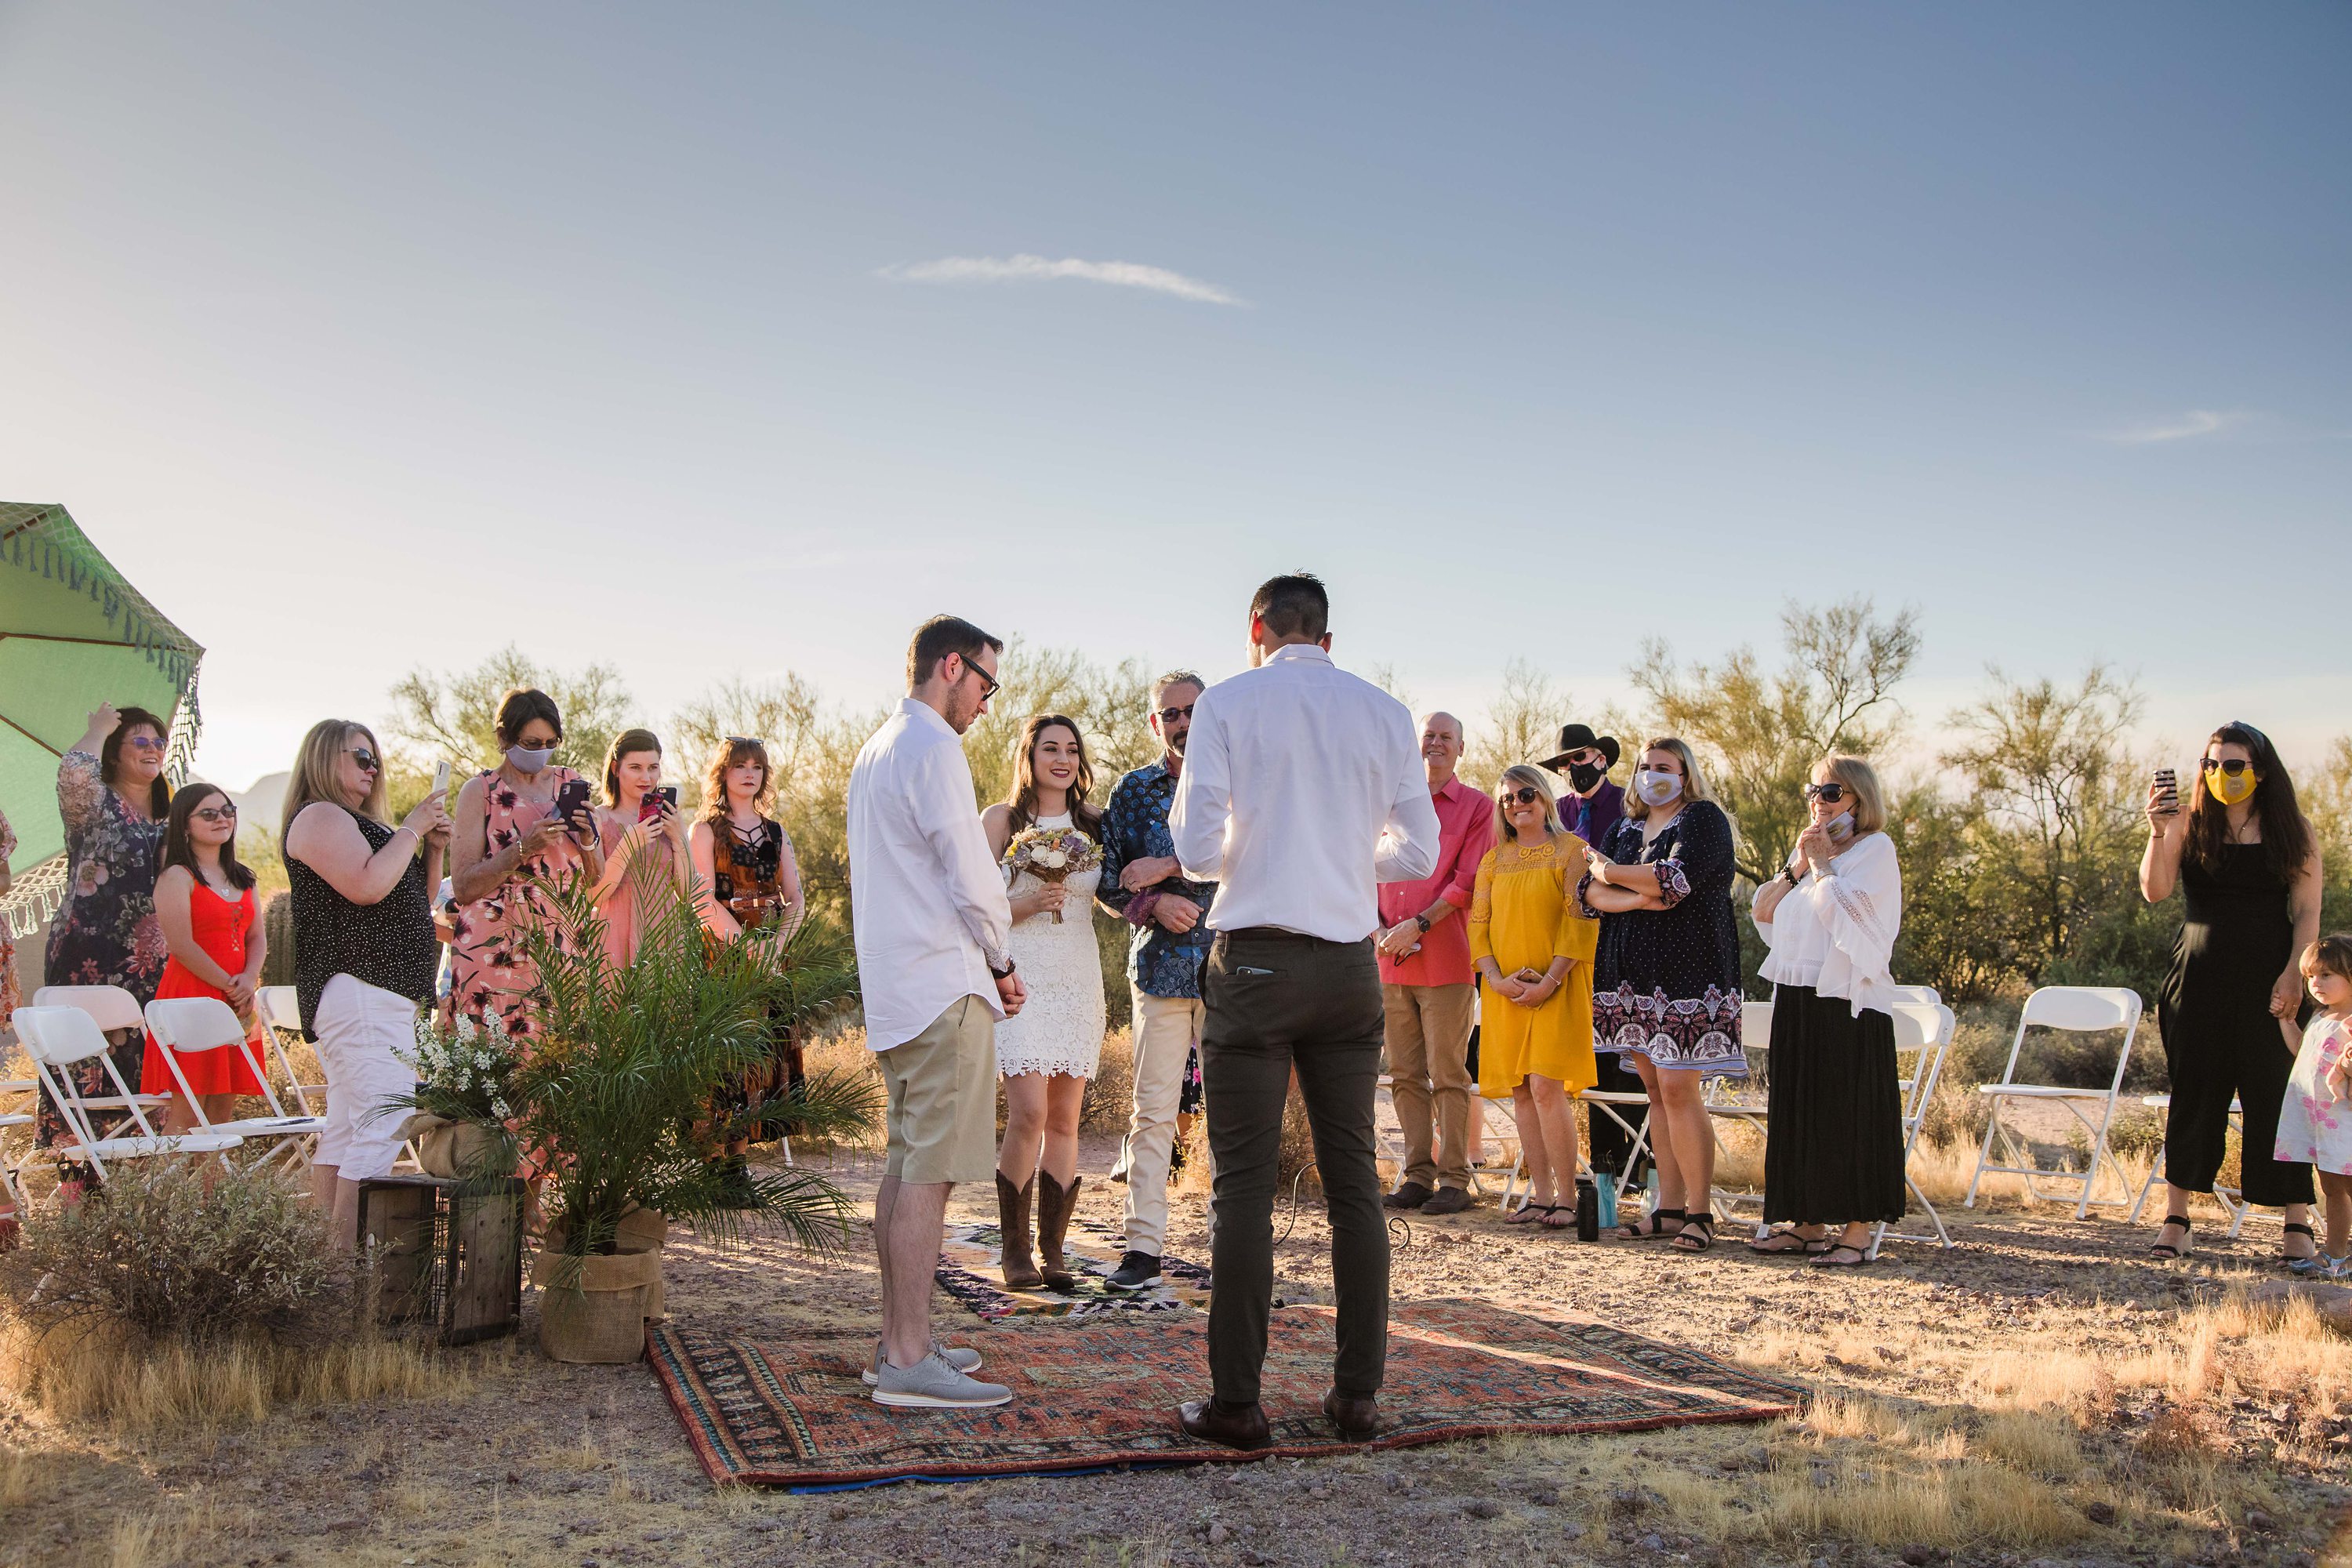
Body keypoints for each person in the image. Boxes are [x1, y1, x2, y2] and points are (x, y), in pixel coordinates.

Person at [1168, 572, 1440, 1450]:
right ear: (1326, 634)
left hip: (1253, 958)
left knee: (1243, 1188)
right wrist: (1343, 853)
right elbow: (1421, 847)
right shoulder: (1385, 711)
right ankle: (1357, 1394)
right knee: (1354, 1180)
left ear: (1257, 627)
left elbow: (1196, 846)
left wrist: (1266, 845)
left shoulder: (1229, 703)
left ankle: (1238, 1405)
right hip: (1348, 966)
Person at [848, 615, 1025, 1410]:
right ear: (950, 666)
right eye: (986, 682)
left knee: (905, 1162)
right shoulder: (933, 748)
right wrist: (1003, 959)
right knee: (931, 1169)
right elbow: (974, 876)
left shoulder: (877, 747)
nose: (987, 700)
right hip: (941, 982)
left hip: (897, 984)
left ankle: (897, 1339)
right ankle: (911, 1358)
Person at [2141, 721, 2323, 1261]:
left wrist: (2296, 971)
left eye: (2235, 765)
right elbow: (2155, 891)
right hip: (2197, 978)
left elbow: (2308, 910)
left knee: (2277, 1094)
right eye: (2212, 764)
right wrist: (2157, 829)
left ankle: (2296, 1222)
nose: (2222, 775)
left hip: (2272, 976)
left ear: (2261, 772)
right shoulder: (2186, 823)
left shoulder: (2294, 829)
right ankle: (2177, 1218)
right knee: (2194, 1094)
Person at [282, 720, 448, 1247]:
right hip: (361, 987)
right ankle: (346, 1268)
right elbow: (368, 886)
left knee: (351, 1128)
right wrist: (413, 827)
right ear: (325, 758)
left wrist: (433, 848)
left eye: (375, 759)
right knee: (384, 1123)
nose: (372, 768)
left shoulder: (359, 823)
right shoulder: (319, 815)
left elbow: (412, 904)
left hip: (382, 994)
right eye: (361, 757)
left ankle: (324, 1268)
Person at [1583, 737, 1745, 1254]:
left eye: (1664, 768)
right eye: (1646, 767)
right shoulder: (1625, 827)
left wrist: (1610, 873)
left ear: (1685, 773)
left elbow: (1672, 881)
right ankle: (1668, 1208)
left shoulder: (1703, 820)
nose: (1653, 775)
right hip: (1631, 977)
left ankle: (1699, 1212)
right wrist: (1635, 892)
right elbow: (1586, 895)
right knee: (1655, 1092)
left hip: (1689, 978)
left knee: (1678, 1090)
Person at [1748, 756, 1906, 1267]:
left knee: (1849, 1113)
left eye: (1832, 791)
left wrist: (1820, 864)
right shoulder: (1810, 856)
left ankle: (1857, 1230)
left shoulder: (1876, 850)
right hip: (1798, 994)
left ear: (1860, 798)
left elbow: (1857, 918)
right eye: (1813, 790)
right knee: (1800, 1111)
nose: (1820, 799)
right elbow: (1764, 909)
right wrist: (1798, 863)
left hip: (1848, 999)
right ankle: (1806, 1224)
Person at [1094, 671, 1219, 1292]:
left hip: (1230, 967)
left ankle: (1232, 1242)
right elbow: (1113, 882)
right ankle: (1142, 1247)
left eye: (1192, 710)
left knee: (1231, 1115)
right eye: (1170, 714)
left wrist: (1169, 866)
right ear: (1155, 723)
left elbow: (1247, 853)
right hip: (1161, 970)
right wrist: (1154, 906)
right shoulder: (1134, 791)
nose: (1182, 722)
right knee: (1153, 1112)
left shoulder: (1238, 783)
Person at [982, 714, 1107, 1291]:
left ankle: (1052, 1251)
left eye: (1072, 750)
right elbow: (974, 906)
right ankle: (1014, 1251)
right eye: (1050, 748)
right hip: (1021, 977)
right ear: (1029, 755)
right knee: (1029, 1113)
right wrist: (1028, 904)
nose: (1062, 758)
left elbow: (1114, 898)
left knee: (1064, 1120)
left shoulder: (1094, 824)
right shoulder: (1001, 821)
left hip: (1079, 977)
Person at [36, 704, 172, 1184]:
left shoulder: (171, 816)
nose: (154, 748)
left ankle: (140, 1188)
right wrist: (97, 729)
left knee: (142, 1066)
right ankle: (79, 1187)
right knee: (83, 1063)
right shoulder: (94, 803)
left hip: (151, 960)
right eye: (141, 740)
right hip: (86, 954)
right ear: (114, 754)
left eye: (159, 741)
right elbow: (74, 775)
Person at [1468, 764, 1599, 1231]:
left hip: (1556, 988)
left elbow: (1581, 921)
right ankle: (1539, 1193)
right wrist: (1496, 979)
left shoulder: (1573, 851)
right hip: (1505, 990)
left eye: (1526, 795)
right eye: (1507, 799)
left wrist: (1550, 981)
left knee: (1547, 1087)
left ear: (1544, 798)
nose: (1517, 804)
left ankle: (1567, 1197)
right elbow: (1477, 926)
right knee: (1522, 1090)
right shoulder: (1492, 860)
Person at [1376, 711, 1495, 1216]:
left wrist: (1417, 926)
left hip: (1445, 958)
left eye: (1447, 738)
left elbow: (1466, 882)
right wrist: (1379, 927)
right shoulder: (1387, 803)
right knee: (1404, 1073)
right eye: (1429, 736)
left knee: (1447, 1071)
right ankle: (1418, 1177)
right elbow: (1362, 867)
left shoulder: (1478, 807)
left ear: (1461, 749)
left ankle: (1455, 1179)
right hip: (1388, 959)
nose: (1436, 744)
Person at [448, 688, 603, 1040]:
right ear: (505, 738)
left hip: (561, 942)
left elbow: (595, 878)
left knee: (560, 1063)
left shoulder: (570, 782)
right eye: (531, 743)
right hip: (495, 947)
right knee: (495, 1063)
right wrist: (523, 847)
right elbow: (464, 886)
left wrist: (589, 837)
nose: (542, 751)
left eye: (550, 743)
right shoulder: (479, 791)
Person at [688, 736, 808, 1184]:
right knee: (724, 1059)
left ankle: (738, 1167)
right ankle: (712, 1168)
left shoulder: (777, 832)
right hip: (722, 955)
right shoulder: (705, 830)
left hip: (772, 956)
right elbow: (701, 898)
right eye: (739, 765)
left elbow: (796, 899)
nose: (749, 773)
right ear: (723, 772)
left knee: (758, 1056)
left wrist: (775, 947)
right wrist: (745, 945)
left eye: (757, 766)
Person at [1541, 722, 1643, 1185]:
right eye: (1564, 763)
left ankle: (1647, 1167)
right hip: (1572, 950)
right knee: (1594, 1059)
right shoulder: (1556, 813)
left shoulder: (1630, 807)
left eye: (1578, 758)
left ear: (1601, 758)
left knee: (1633, 1058)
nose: (1571, 769)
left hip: (1627, 943)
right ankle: (1605, 1169)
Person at [140, 783, 269, 1134]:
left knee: (221, 1116)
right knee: (187, 1111)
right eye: (208, 814)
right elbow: (181, 945)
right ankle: (163, 1191)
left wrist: (249, 979)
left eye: (228, 811)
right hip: (192, 997)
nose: (221, 819)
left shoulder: (244, 877)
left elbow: (257, 937)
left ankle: (208, 1190)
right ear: (185, 824)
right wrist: (231, 985)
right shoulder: (176, 877)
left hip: (237, 1000)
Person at [2275, 936, 2352, 1278]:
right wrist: (2286, 1023)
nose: (2316, 984)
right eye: (2311, 976)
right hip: (2318, 1118)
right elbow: (2302, 1052)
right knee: (2331, 1186)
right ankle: (2335, 1254)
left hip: (2344, 1117)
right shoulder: (2322, 1017)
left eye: (2327, 975)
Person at [587, 728, 690, 968]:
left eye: (653, 767)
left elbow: (687, 894)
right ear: (616, 769)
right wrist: (628, 845)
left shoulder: (671, 819)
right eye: (636, 767)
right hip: (615, 933)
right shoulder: (599, 819)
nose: (646, 778)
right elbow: (595, 896)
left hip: (666, 933)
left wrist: (679, 839)